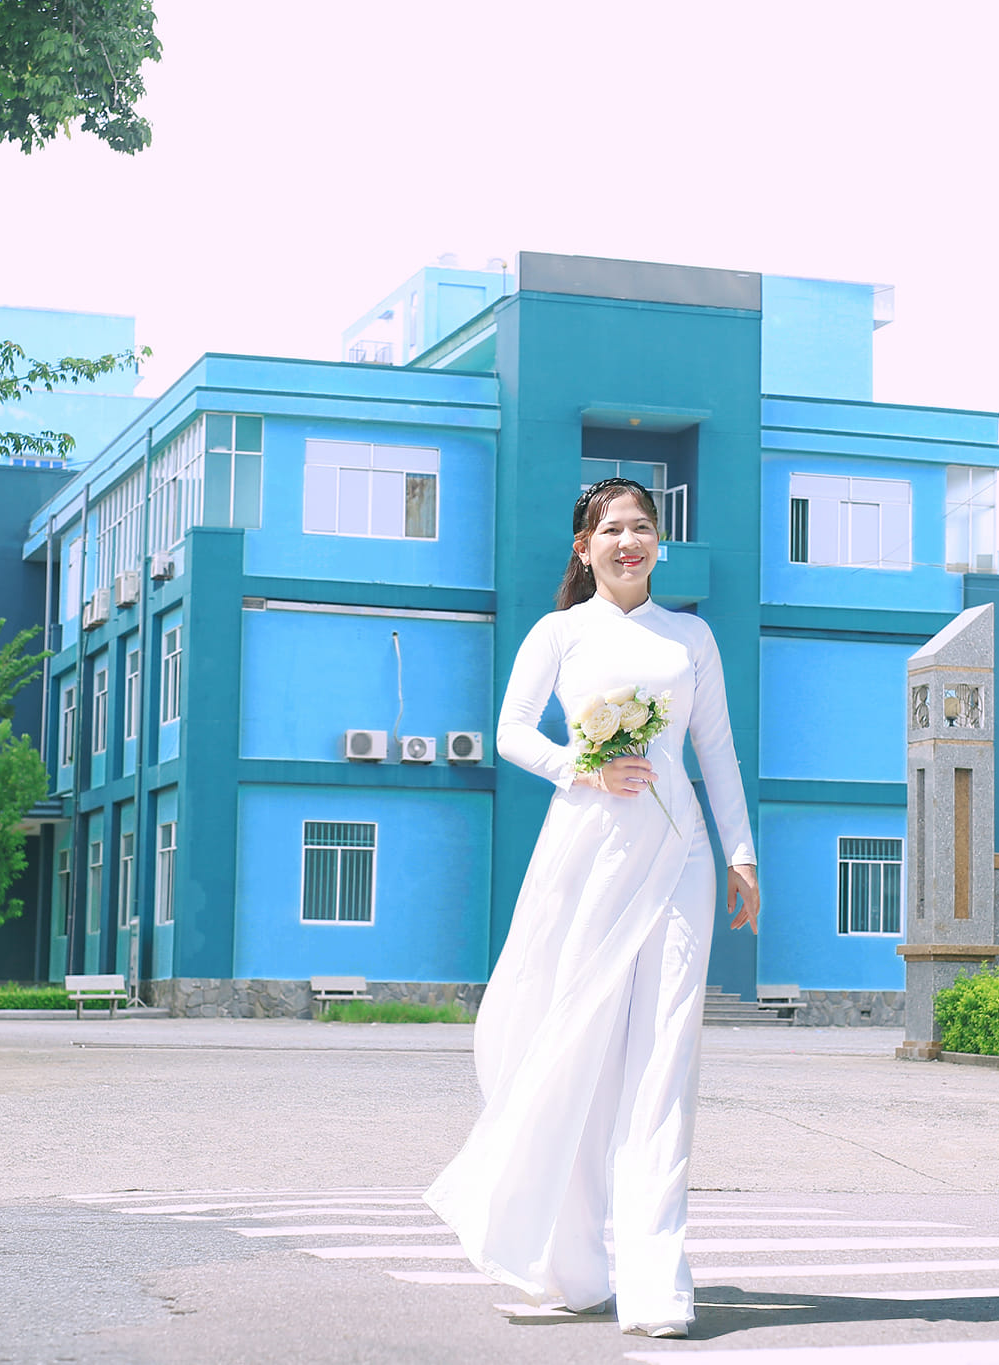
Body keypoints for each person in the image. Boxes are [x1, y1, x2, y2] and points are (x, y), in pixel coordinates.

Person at [425, 477, 759, 1339]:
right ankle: (573, 1270)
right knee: (574, 1050)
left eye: (642, 527)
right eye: (612, 529)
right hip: (588, 856)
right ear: (585, 546)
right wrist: (584, 766)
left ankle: (656, 1283)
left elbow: (717, 749)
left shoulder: (691, 636)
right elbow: (510, 731)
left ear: (659, 543)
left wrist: (741, 851)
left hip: (679, 854)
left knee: (665, 1062)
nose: (629, 540)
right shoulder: (561, 632)